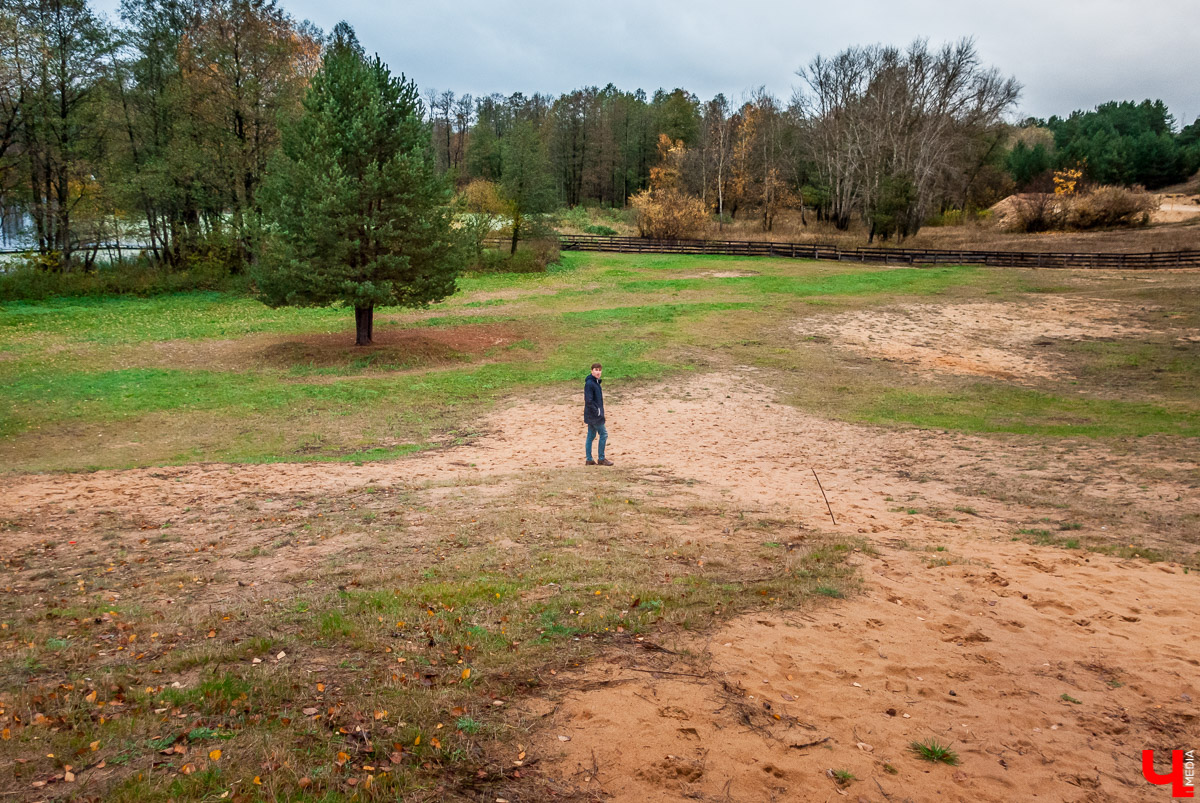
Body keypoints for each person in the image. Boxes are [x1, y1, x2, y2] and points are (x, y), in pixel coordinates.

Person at [584, 362, 613, 466]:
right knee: (604, 434)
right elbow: (588, 400)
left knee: (591, 436)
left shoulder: (595, 383)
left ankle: (589, 459)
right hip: (594, 415)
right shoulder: (590, 384)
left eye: (599, 370)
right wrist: (597, 412)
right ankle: (601, 458)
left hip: (591, 415)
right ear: (591, 371)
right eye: (596, 370)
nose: (598, 372)